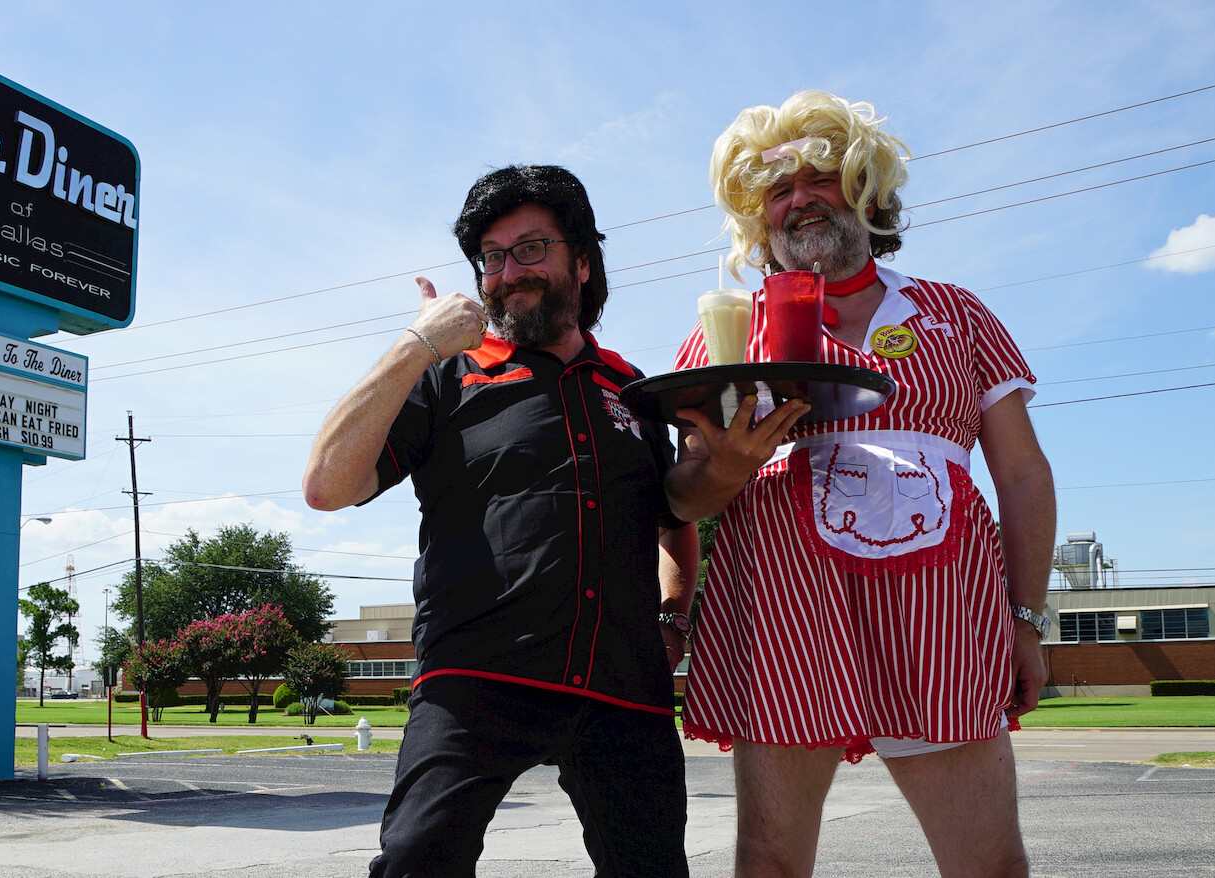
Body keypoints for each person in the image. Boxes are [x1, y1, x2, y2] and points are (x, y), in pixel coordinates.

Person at [302, 164, 804, 878]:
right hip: (476, 677)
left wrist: (674, 613)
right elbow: (326, 485)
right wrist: (416, 344)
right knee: (417, 860)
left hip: (621, 684)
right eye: (492, 258)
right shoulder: (448, 374)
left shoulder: (632, 388)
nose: (509, 272)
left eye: (531, 248)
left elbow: (674, 514)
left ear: (583, 261)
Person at [671, 91, 1058, 878]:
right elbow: (680, 497)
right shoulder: (726, 330)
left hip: (942, 615)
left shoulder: (956, 313)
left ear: (869, 196)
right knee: (770, 864)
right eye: (779, 189)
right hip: (784, 615)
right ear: (759, 220)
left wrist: (1024, 619)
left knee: (991, 866)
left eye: (821, 178)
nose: (800, 199)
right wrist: (728, 467)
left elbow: (1022, 473)